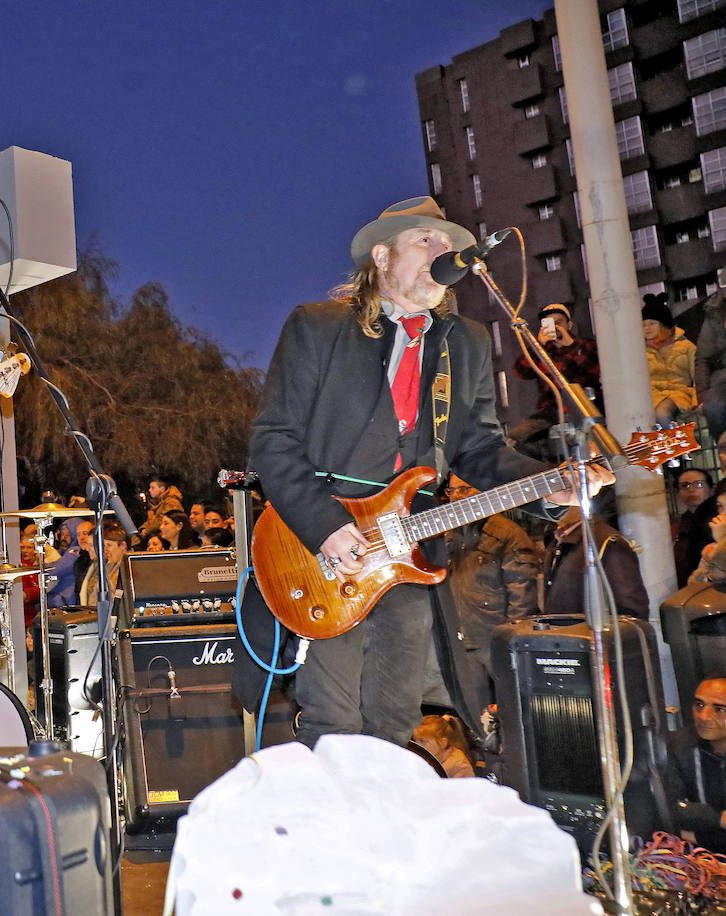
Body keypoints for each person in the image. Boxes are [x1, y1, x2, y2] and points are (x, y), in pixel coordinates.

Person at [246, 196, 610, 749]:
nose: (446, 253)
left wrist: (550, 485)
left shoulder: (464, 341)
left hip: (411, 544)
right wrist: (325, 526)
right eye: (427, 241)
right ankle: (337, 832)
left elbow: (482, 450)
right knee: (333, 717)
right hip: (324, 543)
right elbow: (273, 440)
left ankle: (388, 829)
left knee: (395, 717)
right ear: (383, 255)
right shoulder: (318, 328)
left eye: (452, 246)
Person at [436, 476, 540, 709]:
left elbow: (522, 592)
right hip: (462, 636)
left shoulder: (507, 535)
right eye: (452, 490)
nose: (457, 496)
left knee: (513, 704)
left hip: (495, 640)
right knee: (472, 710)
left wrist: (514, 637)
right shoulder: (448, 534)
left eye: (465, 489)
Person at [509, 303, 601, 461]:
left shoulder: (585, 345)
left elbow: (596, 369)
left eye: (559, 322)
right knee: (515, 439)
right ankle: (553, 469)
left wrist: (570, 346)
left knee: (591, 446)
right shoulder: (542, 351)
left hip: (585, 407)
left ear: (569, 324)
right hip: (552, 411)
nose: (556, 327)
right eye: (549, 324)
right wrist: (537, 345)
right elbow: (520, 372)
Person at [543, 505, 649, 619]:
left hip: (590, 634)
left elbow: (632, 612)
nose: (553, 504)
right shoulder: (557, 541)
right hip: (562, 635)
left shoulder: (608, 543)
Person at [664, 676, 726, 851]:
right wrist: (719, 818)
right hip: (697, 861)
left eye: (719, 709)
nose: (704, 717)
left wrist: (695, 836)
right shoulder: (679, 745)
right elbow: (668, 808)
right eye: (699, 705)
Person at [643, 293, 697, 428]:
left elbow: (699, 377)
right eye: (643, 324)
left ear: (664, 325)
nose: (646, 328)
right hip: (649, 396)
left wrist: (697, 401)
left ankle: (674, 447)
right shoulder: (638, 351)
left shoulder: (686, 347)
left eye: (652, 323)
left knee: (662, 414)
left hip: (678, 394)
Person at [693, 274, 726, 441]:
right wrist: (702, 397)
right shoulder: (714, 315)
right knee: (713, 406)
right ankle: (723, 446)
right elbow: (703, 360)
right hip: (722, 376)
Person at [673, 468, 716, 587]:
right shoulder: (678, 527)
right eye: (685, 485)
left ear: (711, 489)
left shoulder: (719, 521)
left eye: (699, 484)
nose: (691, 490)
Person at [79, 519, 129, 605]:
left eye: (109, 545)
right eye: (104, 546)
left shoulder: (130, 567)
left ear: (123, 545)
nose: (105, 550)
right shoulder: (108, 565)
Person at [140, 475, 183, 540]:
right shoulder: (156, 505)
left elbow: (164, 521)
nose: (149, 490)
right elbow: (151, 521)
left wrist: (147, 530)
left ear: (162, 489)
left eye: (152, 488)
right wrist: (143, 528)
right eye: (150, 487)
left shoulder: (172, 502)